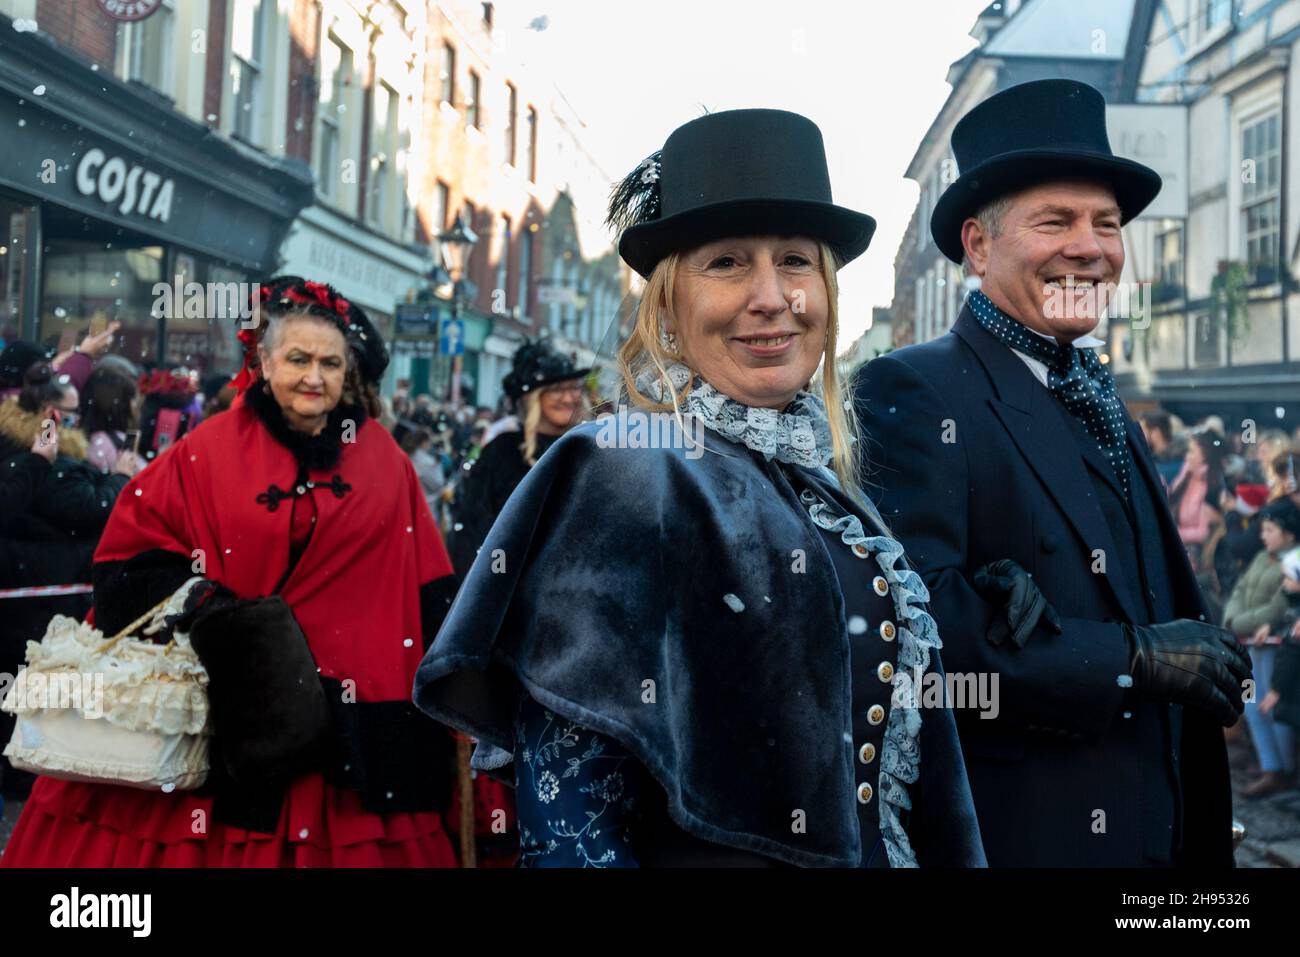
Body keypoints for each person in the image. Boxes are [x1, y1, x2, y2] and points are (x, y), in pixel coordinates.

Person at [415, 109, 985, 868]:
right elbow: (574, 825)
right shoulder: (620, 470)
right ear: (669, 303)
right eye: (726, 263)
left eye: (794, 261)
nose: (771, 296)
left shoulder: (817, 481)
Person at [853, 80, 1250, 866]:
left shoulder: (1099, 393)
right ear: (977, 245)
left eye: (1107, 224)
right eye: (1056, 221)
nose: (1090, 246)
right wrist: (1131, 657)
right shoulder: (911, 387)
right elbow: (907, 647)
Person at [0, 276, 461, 867]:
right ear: (264, 362)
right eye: (297, 359)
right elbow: (127, 562)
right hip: (233, 712)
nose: (314, 377)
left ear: (350, 375)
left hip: (363, 729)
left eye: (330, 363)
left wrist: (460, 682)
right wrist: (217, 615)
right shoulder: (207, 448)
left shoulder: (386, 460)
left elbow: (426, 577)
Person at [0, 361, 135, 802]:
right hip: (37, 590)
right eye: (69, 413)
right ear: (48, 412)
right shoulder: (37, 459)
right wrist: (119, 479)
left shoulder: (51, 455)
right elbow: (87, 507)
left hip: (45, 587)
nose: (75, 421)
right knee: (36, 692)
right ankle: (32, 777)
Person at [446, 338, 589, 580]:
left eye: (573, 387)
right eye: (556, 389)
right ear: (533, 397)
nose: (568, 398)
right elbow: (473, 530)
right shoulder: (503, 451)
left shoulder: (590, 449)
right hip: (512, 593)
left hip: (578, 590)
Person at [1224, 500, 1300, 798]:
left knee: (1272, 706)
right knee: (1253, 705)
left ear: (1288, 534)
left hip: (1272, 646)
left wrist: (1239, 622)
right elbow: (1240, 590)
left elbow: (1279, 607)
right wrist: (1233, 619)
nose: (1263, 535)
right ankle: (1269, 764)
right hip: (1250, 643)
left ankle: (1283, 769)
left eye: (1270, 529)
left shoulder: (1293, 563)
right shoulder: (1261, 558)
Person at [1170, 429, 1228, 570]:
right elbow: (1170, 501)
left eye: (1191, 451)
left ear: (1205, 455)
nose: (1187, 457)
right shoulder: (1188, 476)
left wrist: (1172, 534)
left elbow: (1203, 533)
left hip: (1194, 554)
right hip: (1178, 543)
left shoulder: (1212, 485)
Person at [79, 365, 142, 475]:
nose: (136, 406)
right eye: (132, 399)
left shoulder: (91, 438)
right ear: (120, 404)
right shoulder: (108, 443)